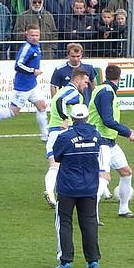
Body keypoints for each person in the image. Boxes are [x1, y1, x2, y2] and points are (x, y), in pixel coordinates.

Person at [51, 103, 104, 268]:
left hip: (67, 187)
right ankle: (93, 260)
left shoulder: (65, 137)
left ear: (72, 118)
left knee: (65, 223)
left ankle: (66, 262)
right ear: (87, 117)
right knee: (90, 223)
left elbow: (57, 157)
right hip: (90, 187)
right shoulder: (96, 135)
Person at [89, 64, 134, 219]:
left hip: (109, 141)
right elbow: (108, 120)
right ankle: (91, 215)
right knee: (103, 178)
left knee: (126, 172)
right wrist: (128, 132)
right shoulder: (106, 92)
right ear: (120, 77)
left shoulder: (104, 89)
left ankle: (124, 210)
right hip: (100, 141)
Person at [0, 25, 49, 140]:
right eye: (32, 35)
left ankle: (45, 135)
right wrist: (33, 71)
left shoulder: (36, 46)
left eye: (37, 35)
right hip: (23, 86)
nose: (34, 37)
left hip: (32, 84)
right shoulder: (27, 48)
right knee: (13, 111)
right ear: (26, 35)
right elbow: (18, 65)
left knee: (42, 106)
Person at [44, 67, 93, 208]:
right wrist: (65, 118)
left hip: (53, 132)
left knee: (55, 165)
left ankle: (51, 193)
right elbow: (61, 101)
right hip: (63, 133)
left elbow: (59, 99)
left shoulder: (63, 90)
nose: (86, 85)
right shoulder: (73, 92)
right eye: (85, 82)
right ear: (77, 79)